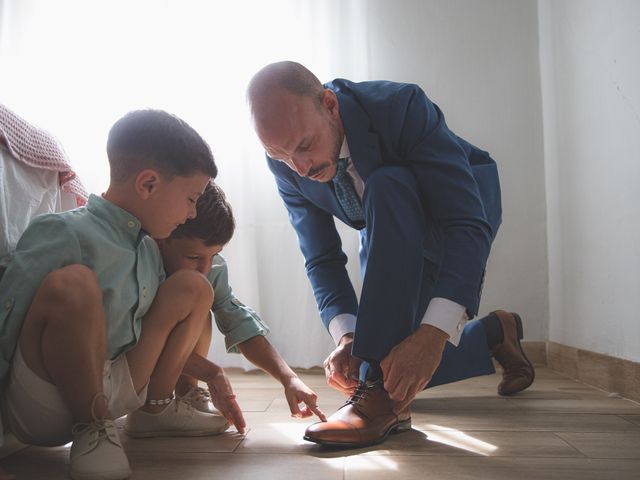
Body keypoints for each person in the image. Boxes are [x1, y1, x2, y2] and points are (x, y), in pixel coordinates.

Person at [246, 61, 535, 448]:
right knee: (388, 359)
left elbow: (465, 222)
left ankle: (377, 396)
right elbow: (321, 258)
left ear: (330, 105)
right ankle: (495, 333)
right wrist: (348, 337)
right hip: (386, 230)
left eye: (304, 146)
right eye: (281, 157)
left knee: (387, 183)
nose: (300, 168)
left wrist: (434, 334)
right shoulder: (286, 159)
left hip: (460, 212)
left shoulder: (402, 105)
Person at [0, 109, 244, 480]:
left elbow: (164, 323)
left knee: (193, 286)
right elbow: (10, 308)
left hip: (121, 386)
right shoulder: (63, 230)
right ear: (148, 184)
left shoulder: (149, 247)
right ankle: (92, 424)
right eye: (191, 198)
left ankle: (154, 413)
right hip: (48, 402)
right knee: (75, 283)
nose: (192, 212)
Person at [155, 182, 326, 421]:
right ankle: (155, 405)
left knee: (202, 298)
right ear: (161, 238)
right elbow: (139, 338)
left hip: (167, 359)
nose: (205, 268)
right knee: (194, 290)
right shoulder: (142, 262)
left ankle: (187, 393)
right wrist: (212, 372)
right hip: (134, 369)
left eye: (214, 255)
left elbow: (238, 323)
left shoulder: (210, 270)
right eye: (194, 257)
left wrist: (290, 379)